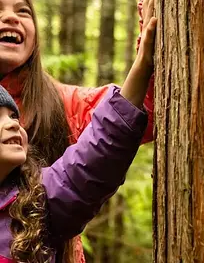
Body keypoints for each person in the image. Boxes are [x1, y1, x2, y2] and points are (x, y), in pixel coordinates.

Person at [0, 0, 156, 262]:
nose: (11, 18)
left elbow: (139, 113)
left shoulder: (63, 103)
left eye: (23, 11)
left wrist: (152, 21)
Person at [0, 56, 153, 262]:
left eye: (13, 117)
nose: (12, 125)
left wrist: (142, 65)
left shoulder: (38, 201)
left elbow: (101, 147)